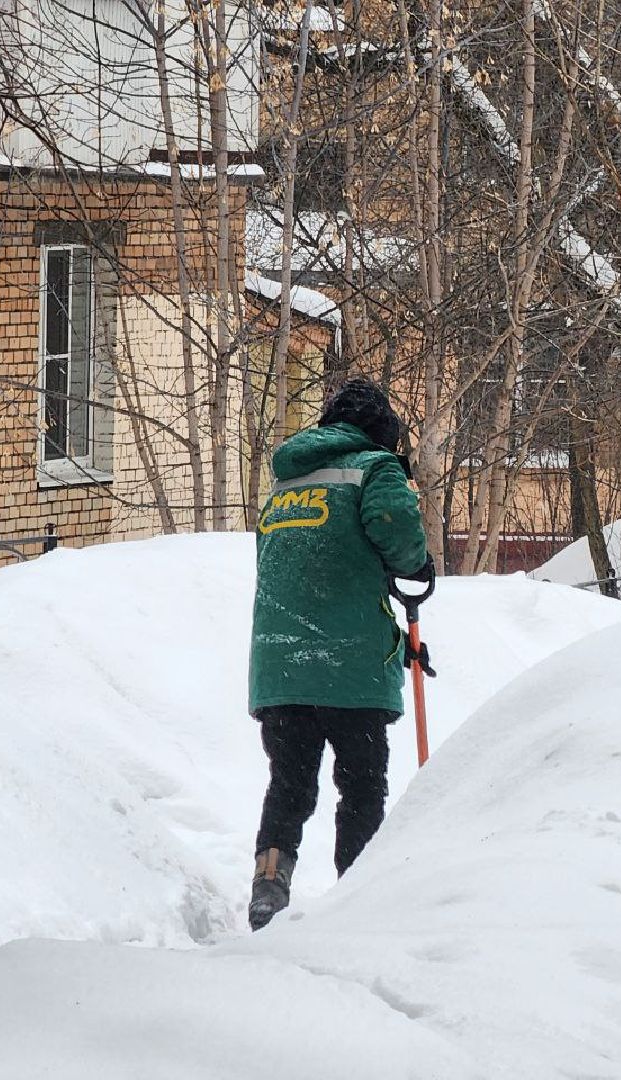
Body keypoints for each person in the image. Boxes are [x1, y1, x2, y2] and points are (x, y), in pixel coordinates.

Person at [247, 378, 432, 931]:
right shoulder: (376, 468)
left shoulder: (287, 478)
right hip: (351, 664)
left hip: (280, 664)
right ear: (381, 432)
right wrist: (415, 567)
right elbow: (396, 529)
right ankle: (359, 894)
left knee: (290, 781)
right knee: (361, 784)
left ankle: (269, 882)